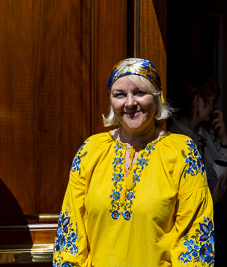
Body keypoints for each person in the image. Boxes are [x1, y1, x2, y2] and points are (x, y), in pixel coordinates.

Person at [52, 58, 215, 267]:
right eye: (120, 94)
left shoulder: (183, 152)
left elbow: (194, 235)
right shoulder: (90, 151)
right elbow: (71, 233)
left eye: (139, 93)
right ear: (111, 101)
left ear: (156, 98)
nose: (130, 103)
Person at [167, 74, 227, 266]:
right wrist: (210, 199)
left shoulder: (207, 132)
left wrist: (224, 137)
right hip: (189, 217)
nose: (215, 107)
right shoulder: (174, 135)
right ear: (197, 100)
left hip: (215, 211)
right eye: (212, 101)